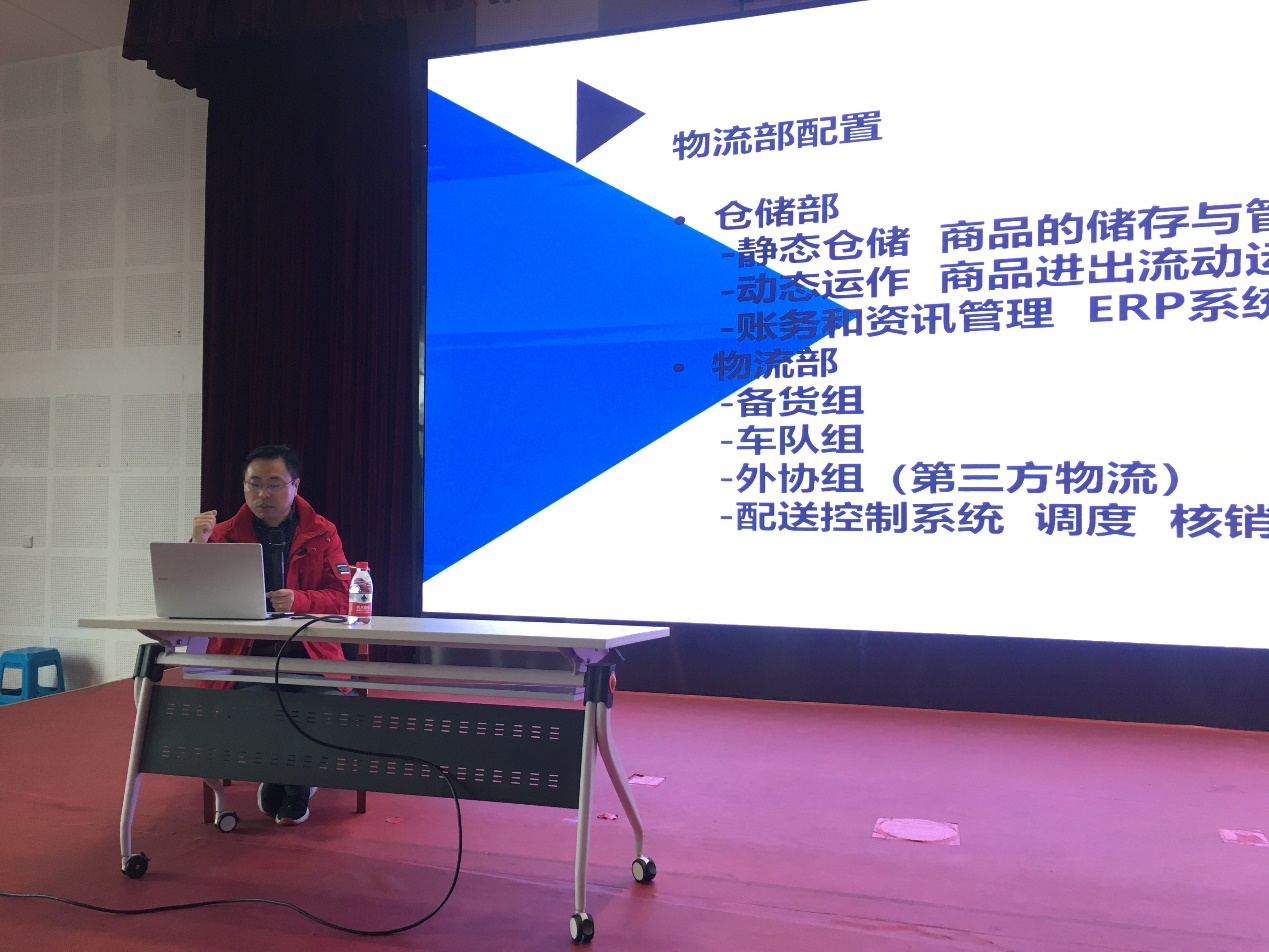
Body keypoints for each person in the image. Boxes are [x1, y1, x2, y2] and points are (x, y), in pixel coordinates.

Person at [192, 443, 353, 825]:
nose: (263, 494)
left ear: (295, 485)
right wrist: (198, 545)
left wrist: (300, 599)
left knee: (326, 709)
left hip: (311, 657)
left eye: (274, 484)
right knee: (255, 711)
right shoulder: (223, 535)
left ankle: (290, 783)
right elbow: (194, 599)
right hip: (245, 659)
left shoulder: (322, 532)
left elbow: (346, 597)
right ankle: (294, 782)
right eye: (254, 484)